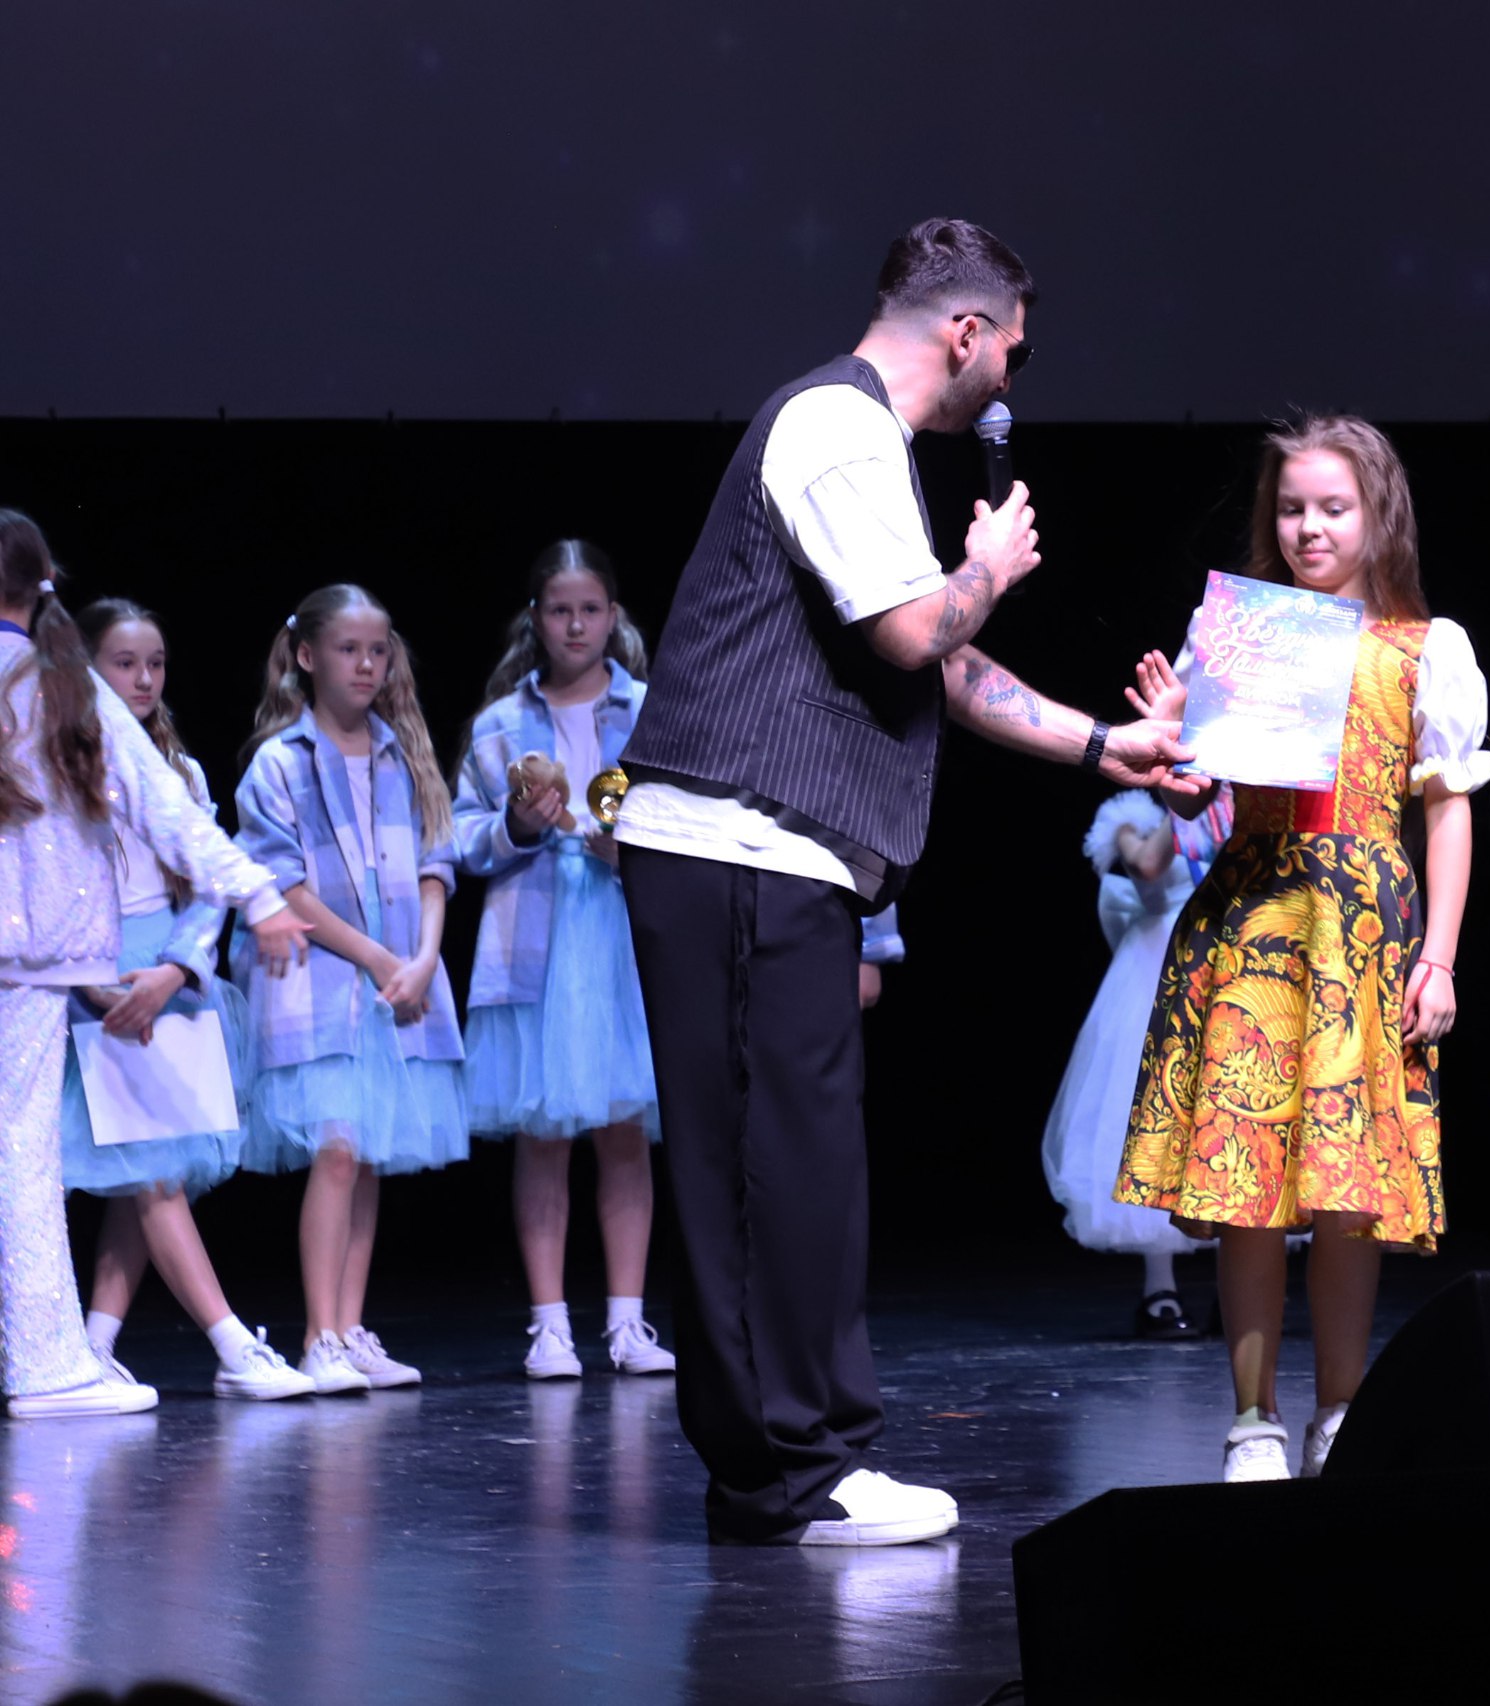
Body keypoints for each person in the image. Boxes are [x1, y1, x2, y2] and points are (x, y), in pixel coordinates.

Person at [611, 217, 1196, 1547]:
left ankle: (789, 1462)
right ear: (967, 332)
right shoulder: (837, 423)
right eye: (1015, 354)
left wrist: (1103, 746)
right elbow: (921, 626)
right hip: (737, 841)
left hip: (774, 851)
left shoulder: (864, 439)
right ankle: (794, 1469)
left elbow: (941, 661)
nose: (1012, 382)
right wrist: (989, 565)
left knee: (795, 1158)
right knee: (771, 1164)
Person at [1116, 414, 1490, 1482]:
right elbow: (1195, 788)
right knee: (1243, 1176)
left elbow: (1448, 808)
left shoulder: (1425, 646)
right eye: (1291, 508)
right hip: (1254, 919)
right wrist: (1177, 753)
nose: (1309, 527)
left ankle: (1340, 1410)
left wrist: (1439, 957)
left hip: (1362, 934)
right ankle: (1252, 1419)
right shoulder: (1240, 633)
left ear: (1380, 514)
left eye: (1334, 506)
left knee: (1346, 1189)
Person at [0, 512, 307, 1419]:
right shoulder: (60, 687)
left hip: (43, 960)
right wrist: (261, 896)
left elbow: (174, 809)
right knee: (20, 1149)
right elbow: (168, 815)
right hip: (30, 956)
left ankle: (63, 1357)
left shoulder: (63, 687)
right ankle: (46, 1367)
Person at [61, 599, 314, 1399]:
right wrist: (90, 983)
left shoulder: (181, 771)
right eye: (125, 663)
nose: (144, 679)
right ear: (87, 670)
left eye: (156, 663)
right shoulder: (60, 763)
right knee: (154, 1176)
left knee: (152, 1172)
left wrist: (177, 968)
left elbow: (210, 882)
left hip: (168, 976)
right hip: (100, 980)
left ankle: (95, 1346)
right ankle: (234, 1347)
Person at [234, 583, 471, 1395]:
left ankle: (351, 1325)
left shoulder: (404, 757)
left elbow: (437, 864)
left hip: (400, 980)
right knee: (336, 1152)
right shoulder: (280, 763)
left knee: (366, 1155)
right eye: (348, 650)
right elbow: (282, 883)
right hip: (324, 981)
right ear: (308, 656)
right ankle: (318, 1335)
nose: (366, 665)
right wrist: (375, 956)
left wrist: (424, 957)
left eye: (377, 651)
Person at [453, 541, 673, 1381]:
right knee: (543, 1132)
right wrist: (519, 826)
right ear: (535, 619)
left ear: (613, 617)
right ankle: (549, 1326)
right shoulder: (500, 724)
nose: (575, 625)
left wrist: (633, 847)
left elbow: (682, 819)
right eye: (559, 610)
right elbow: (463, 838)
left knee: (625, 1131)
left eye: (589, 610)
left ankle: (627, 1322)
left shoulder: (651, 709)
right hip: (536, 938)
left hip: (619, 932)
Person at [1041, 788, 1230, 1335]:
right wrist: (1193, 800)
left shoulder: (1246, 798)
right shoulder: (1132, 819)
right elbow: (1149, 866)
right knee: (1157, 1120)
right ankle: (1159, 1289)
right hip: (1160, 971)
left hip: (1230, 959)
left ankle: (1236, 1288)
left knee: (1226, 1120)